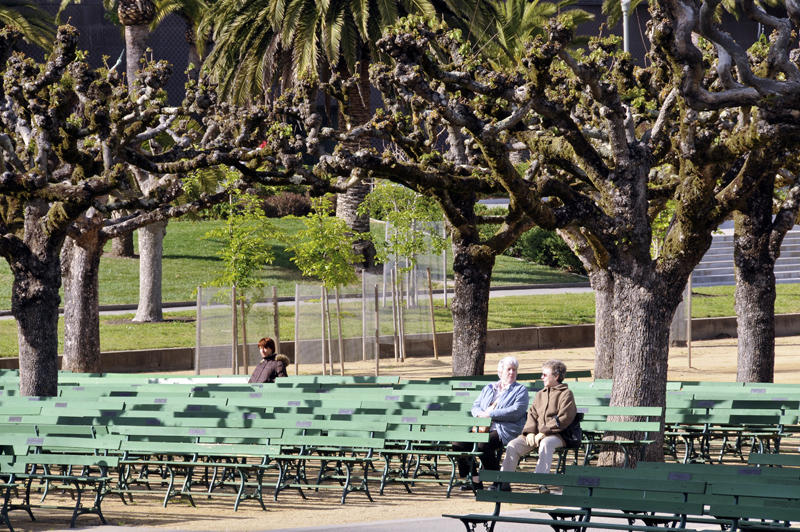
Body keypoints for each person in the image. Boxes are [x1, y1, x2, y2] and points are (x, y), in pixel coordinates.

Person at [453, 356, 529, 491]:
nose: (512, 373)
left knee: (483, 445)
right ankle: (474, 480)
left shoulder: (520, 390)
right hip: (482, 427)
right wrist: (479, 414)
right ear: (500, 372)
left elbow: (516, 411)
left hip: (504, 429)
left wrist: (491, 414)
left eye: (514, 370)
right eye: (509, 369)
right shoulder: (489, 388)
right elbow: (475, 406)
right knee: (459, 444)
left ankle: (499, 481)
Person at [499, 359, 576, 488]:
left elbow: (564, 418)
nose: (542, 377)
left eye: (545, 375)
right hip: (535, 435)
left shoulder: (566, 394)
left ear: (556, 376)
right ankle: (502, 483)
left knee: (546, 443)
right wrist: (529, 432)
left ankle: (540, 484)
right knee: (513, 445)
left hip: (559, 436)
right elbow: (532, 415)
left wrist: (544, 432)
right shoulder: (540, 394)